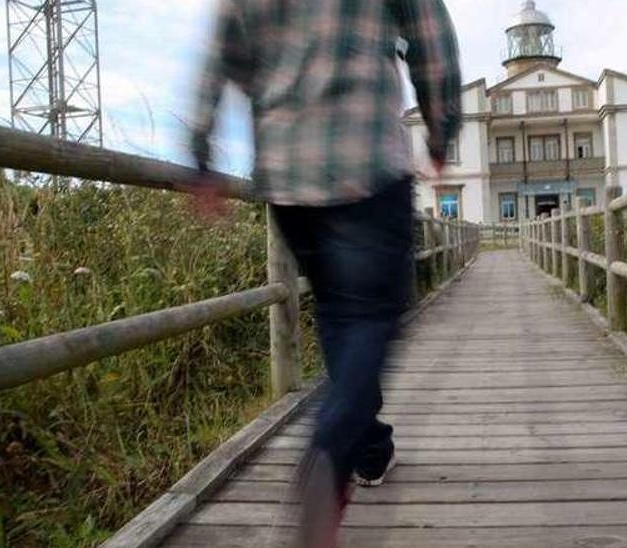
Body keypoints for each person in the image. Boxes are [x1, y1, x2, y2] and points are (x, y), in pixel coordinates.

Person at [189, 1, 461, 546]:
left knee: (341, 316)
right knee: (369, 318)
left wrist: (202, 151)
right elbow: (431, 39)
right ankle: (330, 453)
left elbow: (222, 52)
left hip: (287, 175)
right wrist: (440, 130)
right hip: (367, 166)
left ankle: (368, 446)